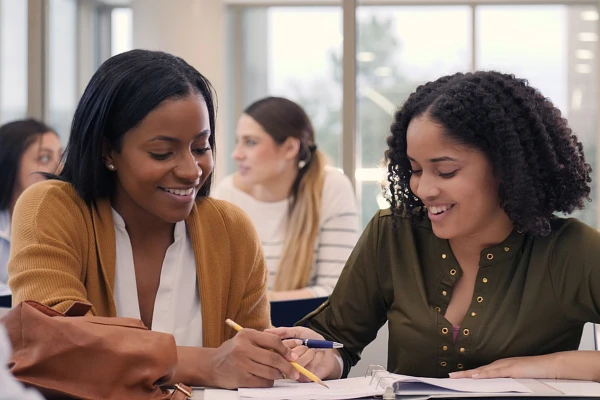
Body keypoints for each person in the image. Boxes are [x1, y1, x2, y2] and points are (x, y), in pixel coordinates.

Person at [268, 71, 600, 382]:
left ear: (507, 169)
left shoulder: (571, 251)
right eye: (414, 170)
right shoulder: (394, 234)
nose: (423, 189)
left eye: (445, 172)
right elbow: (338, 338)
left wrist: (546, 365)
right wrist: (321, 354)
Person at [7, 49, 300, 389]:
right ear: (108, 151)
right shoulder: (52, 207)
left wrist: (279, 358)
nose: (192, 171)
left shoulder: (231, 230)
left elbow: (249, 366)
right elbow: (49, 347)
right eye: (162, 153)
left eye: (201, 147)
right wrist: (204, 363)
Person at [213, 97, 359, 301]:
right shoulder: (226, 193)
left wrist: (256, 304)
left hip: (304, 329)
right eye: (239, 141)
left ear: (290, 148)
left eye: (251, 142)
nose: (236, 154)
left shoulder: (331, 187)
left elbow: (337, 290)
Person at [0, 119, 62, 307]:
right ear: (11, 163)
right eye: (44, 158)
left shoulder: (61, 220)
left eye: (61, 156)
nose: (58, 169)